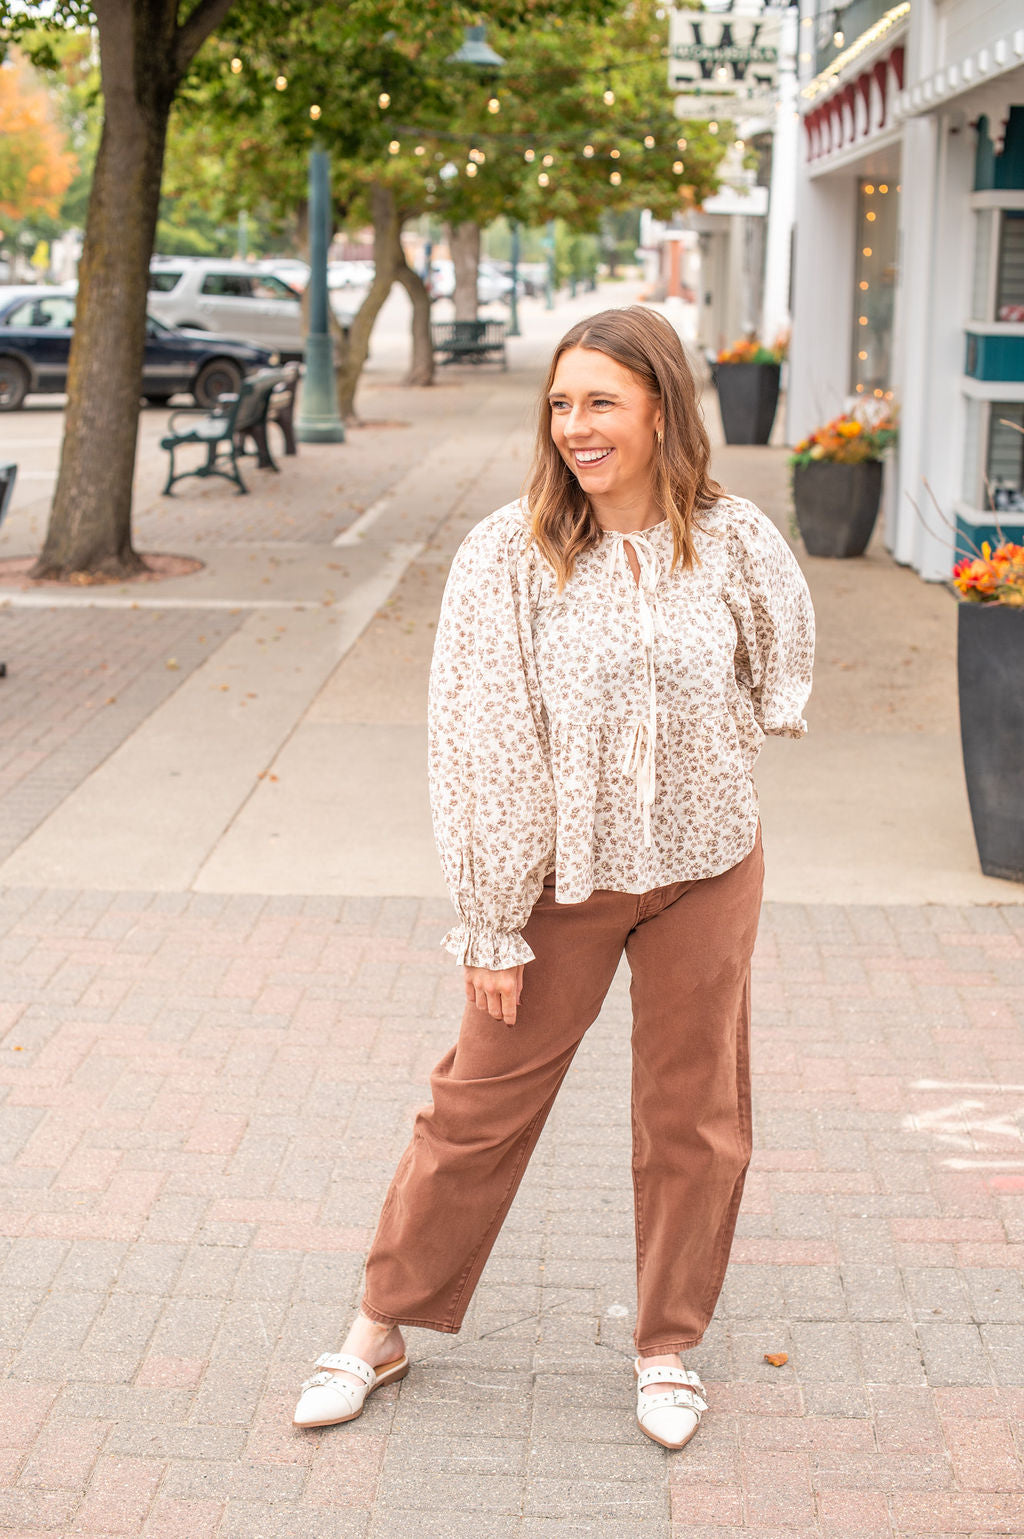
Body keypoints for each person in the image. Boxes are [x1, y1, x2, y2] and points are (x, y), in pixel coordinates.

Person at [293, 306, 814, 1450]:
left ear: (661, 410)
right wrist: (488, 921)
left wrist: (718, 744)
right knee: (476, 1103)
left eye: (601, 403)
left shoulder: (733, 540)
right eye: (562, 404)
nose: (576, 427)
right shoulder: (508, 553)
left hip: (707, 866)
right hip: (557, 881)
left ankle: (666, 1343)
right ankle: (380, 1323)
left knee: (695, 1112)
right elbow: (481, 741)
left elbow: (779, 660)